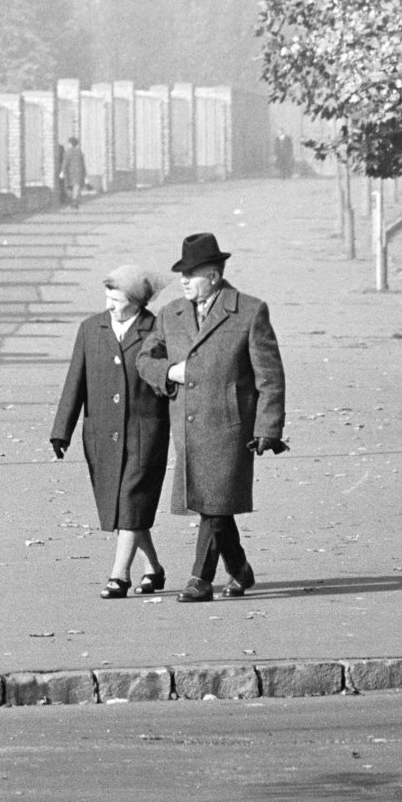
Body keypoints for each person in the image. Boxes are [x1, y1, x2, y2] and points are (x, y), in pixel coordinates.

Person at [137, 232, 287, 603]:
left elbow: (270, 376)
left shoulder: (250, 311)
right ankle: (239, 569)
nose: (184, 280)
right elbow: (144, 360)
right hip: (186, 425)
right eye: (182, 273)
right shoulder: (171, 315)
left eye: (193, 273)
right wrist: (169, 373)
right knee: (213, 502)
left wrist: (268, 428)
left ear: (215, 276)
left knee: (213, 503)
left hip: (231, 427)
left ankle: (200, 579)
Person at [50, 266, 170, 598]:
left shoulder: (159, 330)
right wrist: (62, 431)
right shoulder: (91, 328)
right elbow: (75, 381)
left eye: (117, 299)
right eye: (108, 298)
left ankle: (119, 575)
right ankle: (154, 569)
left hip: (145, 433)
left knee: (131, 500)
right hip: (101, 435)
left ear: (137, 302)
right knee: (124, 506)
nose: (111, 305)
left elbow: (169, 378)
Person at [60, 135, 86, 209]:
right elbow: (83, 163)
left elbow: (65, 162)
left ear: (70, 144)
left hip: (70, 173)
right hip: (79, 172)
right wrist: (84, 174)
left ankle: (74, 201)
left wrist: (62, 171)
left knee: (70, 187)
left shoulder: (68, 152)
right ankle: (75, 200)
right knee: (76, 186)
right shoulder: (79, 152)